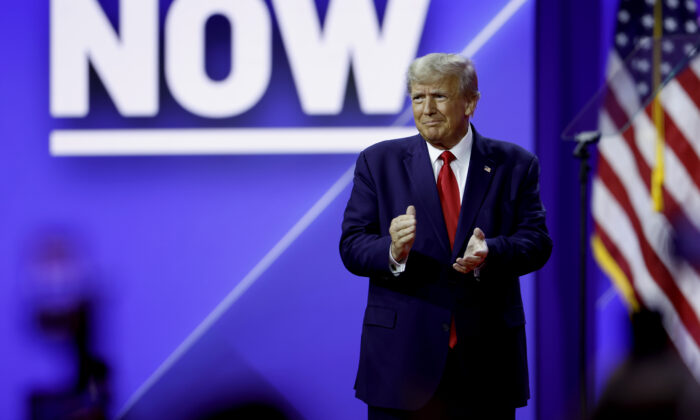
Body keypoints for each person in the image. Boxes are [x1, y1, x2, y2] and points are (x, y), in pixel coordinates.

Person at [339, 53, 552, 419]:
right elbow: (352, 245)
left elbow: (537, 242)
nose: (427, 109)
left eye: (439, 96)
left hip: (487, 365)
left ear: (470, 102)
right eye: (418, 98)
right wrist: (393, 251)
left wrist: (492, 251)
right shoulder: (378, 163)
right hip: (402, 364)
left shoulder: (515, 164)